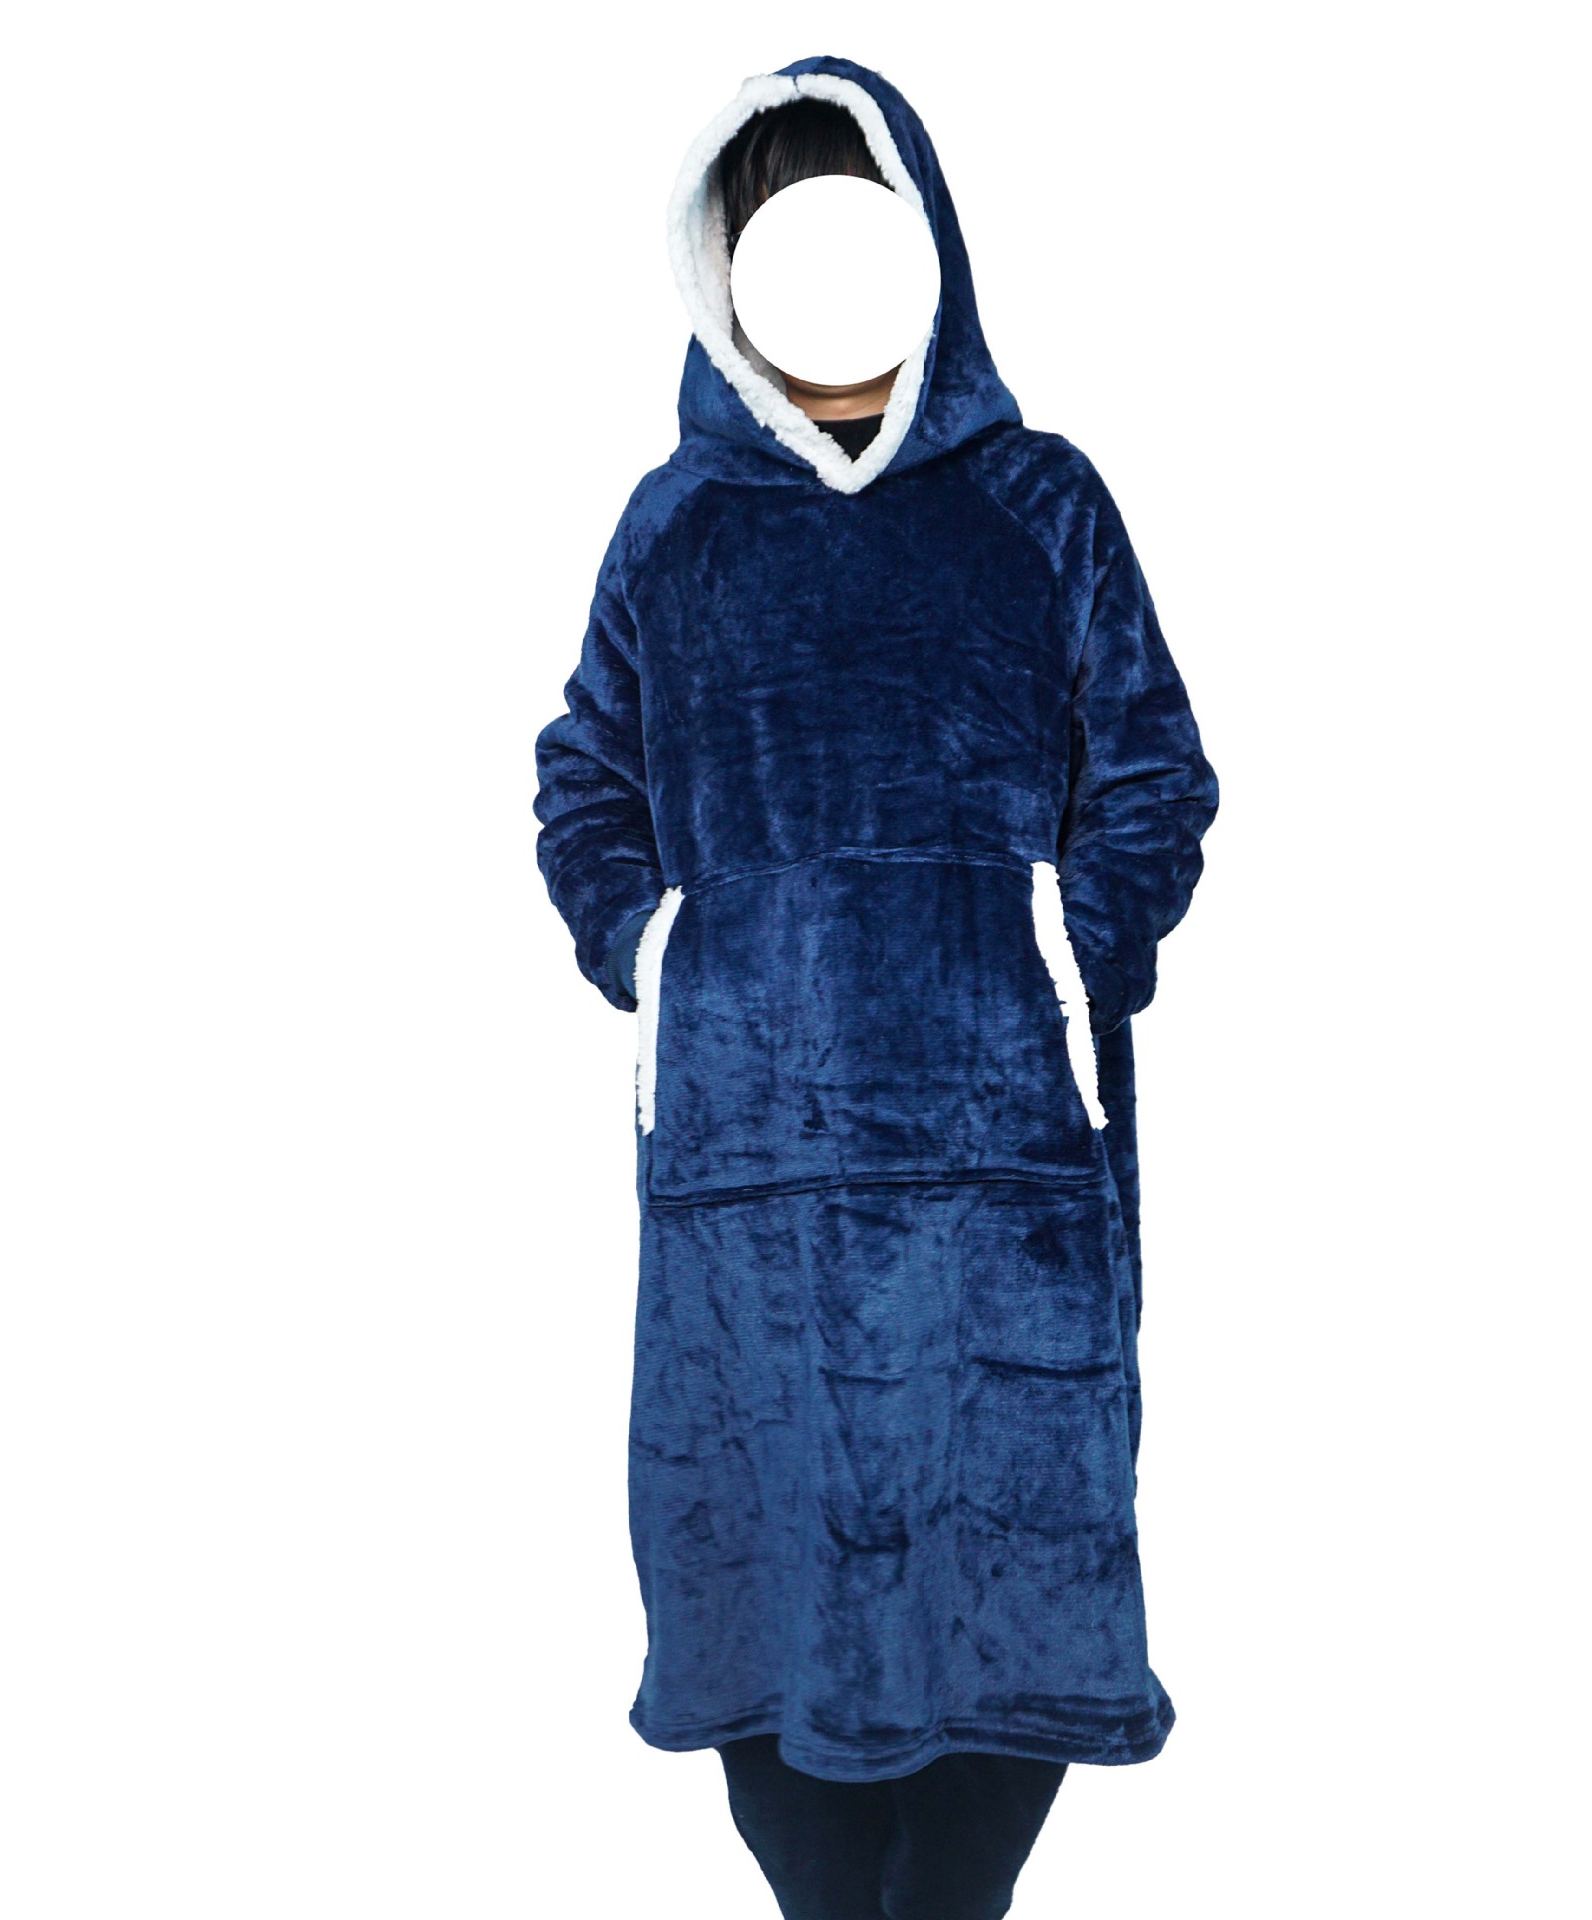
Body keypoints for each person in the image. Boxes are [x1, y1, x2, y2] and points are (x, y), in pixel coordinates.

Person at [533, 57, 1217, 1920]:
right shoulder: (676, 530)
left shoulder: (1039, 504)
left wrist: (1063, 953)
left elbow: (1154, 775)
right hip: (745, 1186)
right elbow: (584, 778)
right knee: (766, 1623)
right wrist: (659, 948)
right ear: (727, 269)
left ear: (923, 246)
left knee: (1008, 1610)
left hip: (1003, 1180)